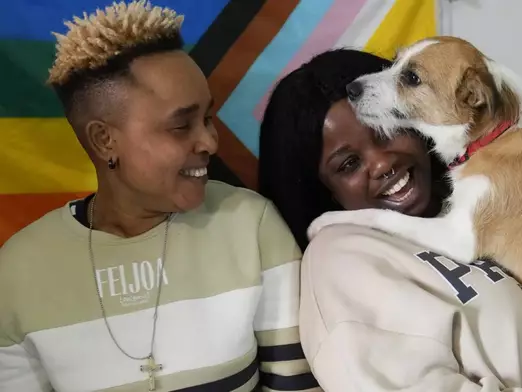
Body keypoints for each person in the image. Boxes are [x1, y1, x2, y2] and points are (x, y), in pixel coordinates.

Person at [0, 2, 319, 392]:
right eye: (181, 125)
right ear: (105, 140)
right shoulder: (18, 271)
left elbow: (296, 385)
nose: (210, 142)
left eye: (207, 118)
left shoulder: (250, 225)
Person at [259, 49, 522, 391]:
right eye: (348, 165)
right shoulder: (340, 260)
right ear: (324, 190)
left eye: (388, 132)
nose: (381, 164)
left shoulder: (480, 195)